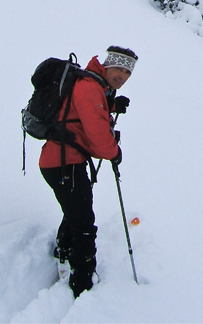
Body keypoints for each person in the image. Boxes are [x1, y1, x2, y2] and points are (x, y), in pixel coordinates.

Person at [39, 45, 137, 297]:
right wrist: (114, 152)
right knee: (83, 222)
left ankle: (63, 250)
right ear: (107, 65)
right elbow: (97, 136)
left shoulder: (93, 85)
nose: (122, 76)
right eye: (119, 68)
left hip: (63, 160)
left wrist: (112, 106)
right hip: (64, 162)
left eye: (128, 72)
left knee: (76, 208)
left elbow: (81, 112)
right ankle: (82, 283)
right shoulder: (90, 88)